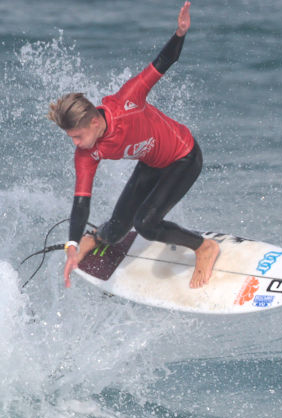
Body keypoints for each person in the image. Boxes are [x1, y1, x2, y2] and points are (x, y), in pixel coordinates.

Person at [50, 2, 220, 290]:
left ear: (93, 123)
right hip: (152, 163)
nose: (75, 143)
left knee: (146, 224)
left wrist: (180, 33)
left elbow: (163, 62)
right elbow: (81, 202)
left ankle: (203, 247)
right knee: (116, 230)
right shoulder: (86, 153)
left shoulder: (128, 100)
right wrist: (72, 245)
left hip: (184, 157)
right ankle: (97, 238)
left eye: (77, 136)